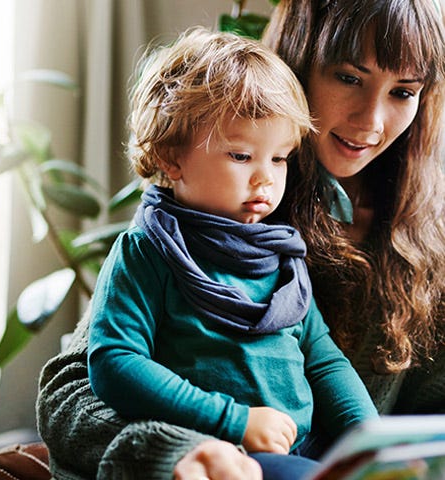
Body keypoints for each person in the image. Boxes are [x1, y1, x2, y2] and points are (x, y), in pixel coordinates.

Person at [36, 1, 445, 479]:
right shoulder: (197, 209)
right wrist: (181, 451)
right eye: (349, 78)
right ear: (299, 62)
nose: (372, 121)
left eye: (402, 92)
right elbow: (74, 389)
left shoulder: (425, 240)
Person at [85, 26, 378, 480]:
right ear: (170, 156)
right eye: (241, 156)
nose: (265, 179)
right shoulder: (148, 249)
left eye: (279, 158)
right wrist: (233, 420)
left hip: (307, 449)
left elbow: (324, 361)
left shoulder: (282, 256)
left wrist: (368, 437)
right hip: (226, 457)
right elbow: (114, 363)